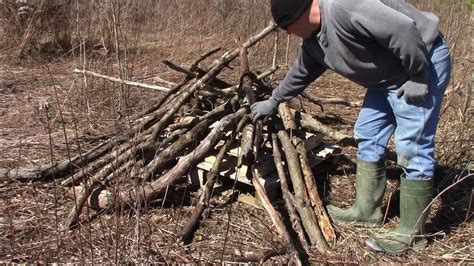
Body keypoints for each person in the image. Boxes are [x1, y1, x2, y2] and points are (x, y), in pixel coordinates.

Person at [251, 0, 452, 254]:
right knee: (367, 133)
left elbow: (403, 28)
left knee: (413, 146)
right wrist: (274, 100)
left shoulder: (344, 7)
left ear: (300, 14)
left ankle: (413, 235)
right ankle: (366, 211)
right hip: (388, 79)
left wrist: (418, 76)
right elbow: (301, 71)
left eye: (287, 27)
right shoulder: (315, 41)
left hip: (422, 62)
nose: (289, 34)